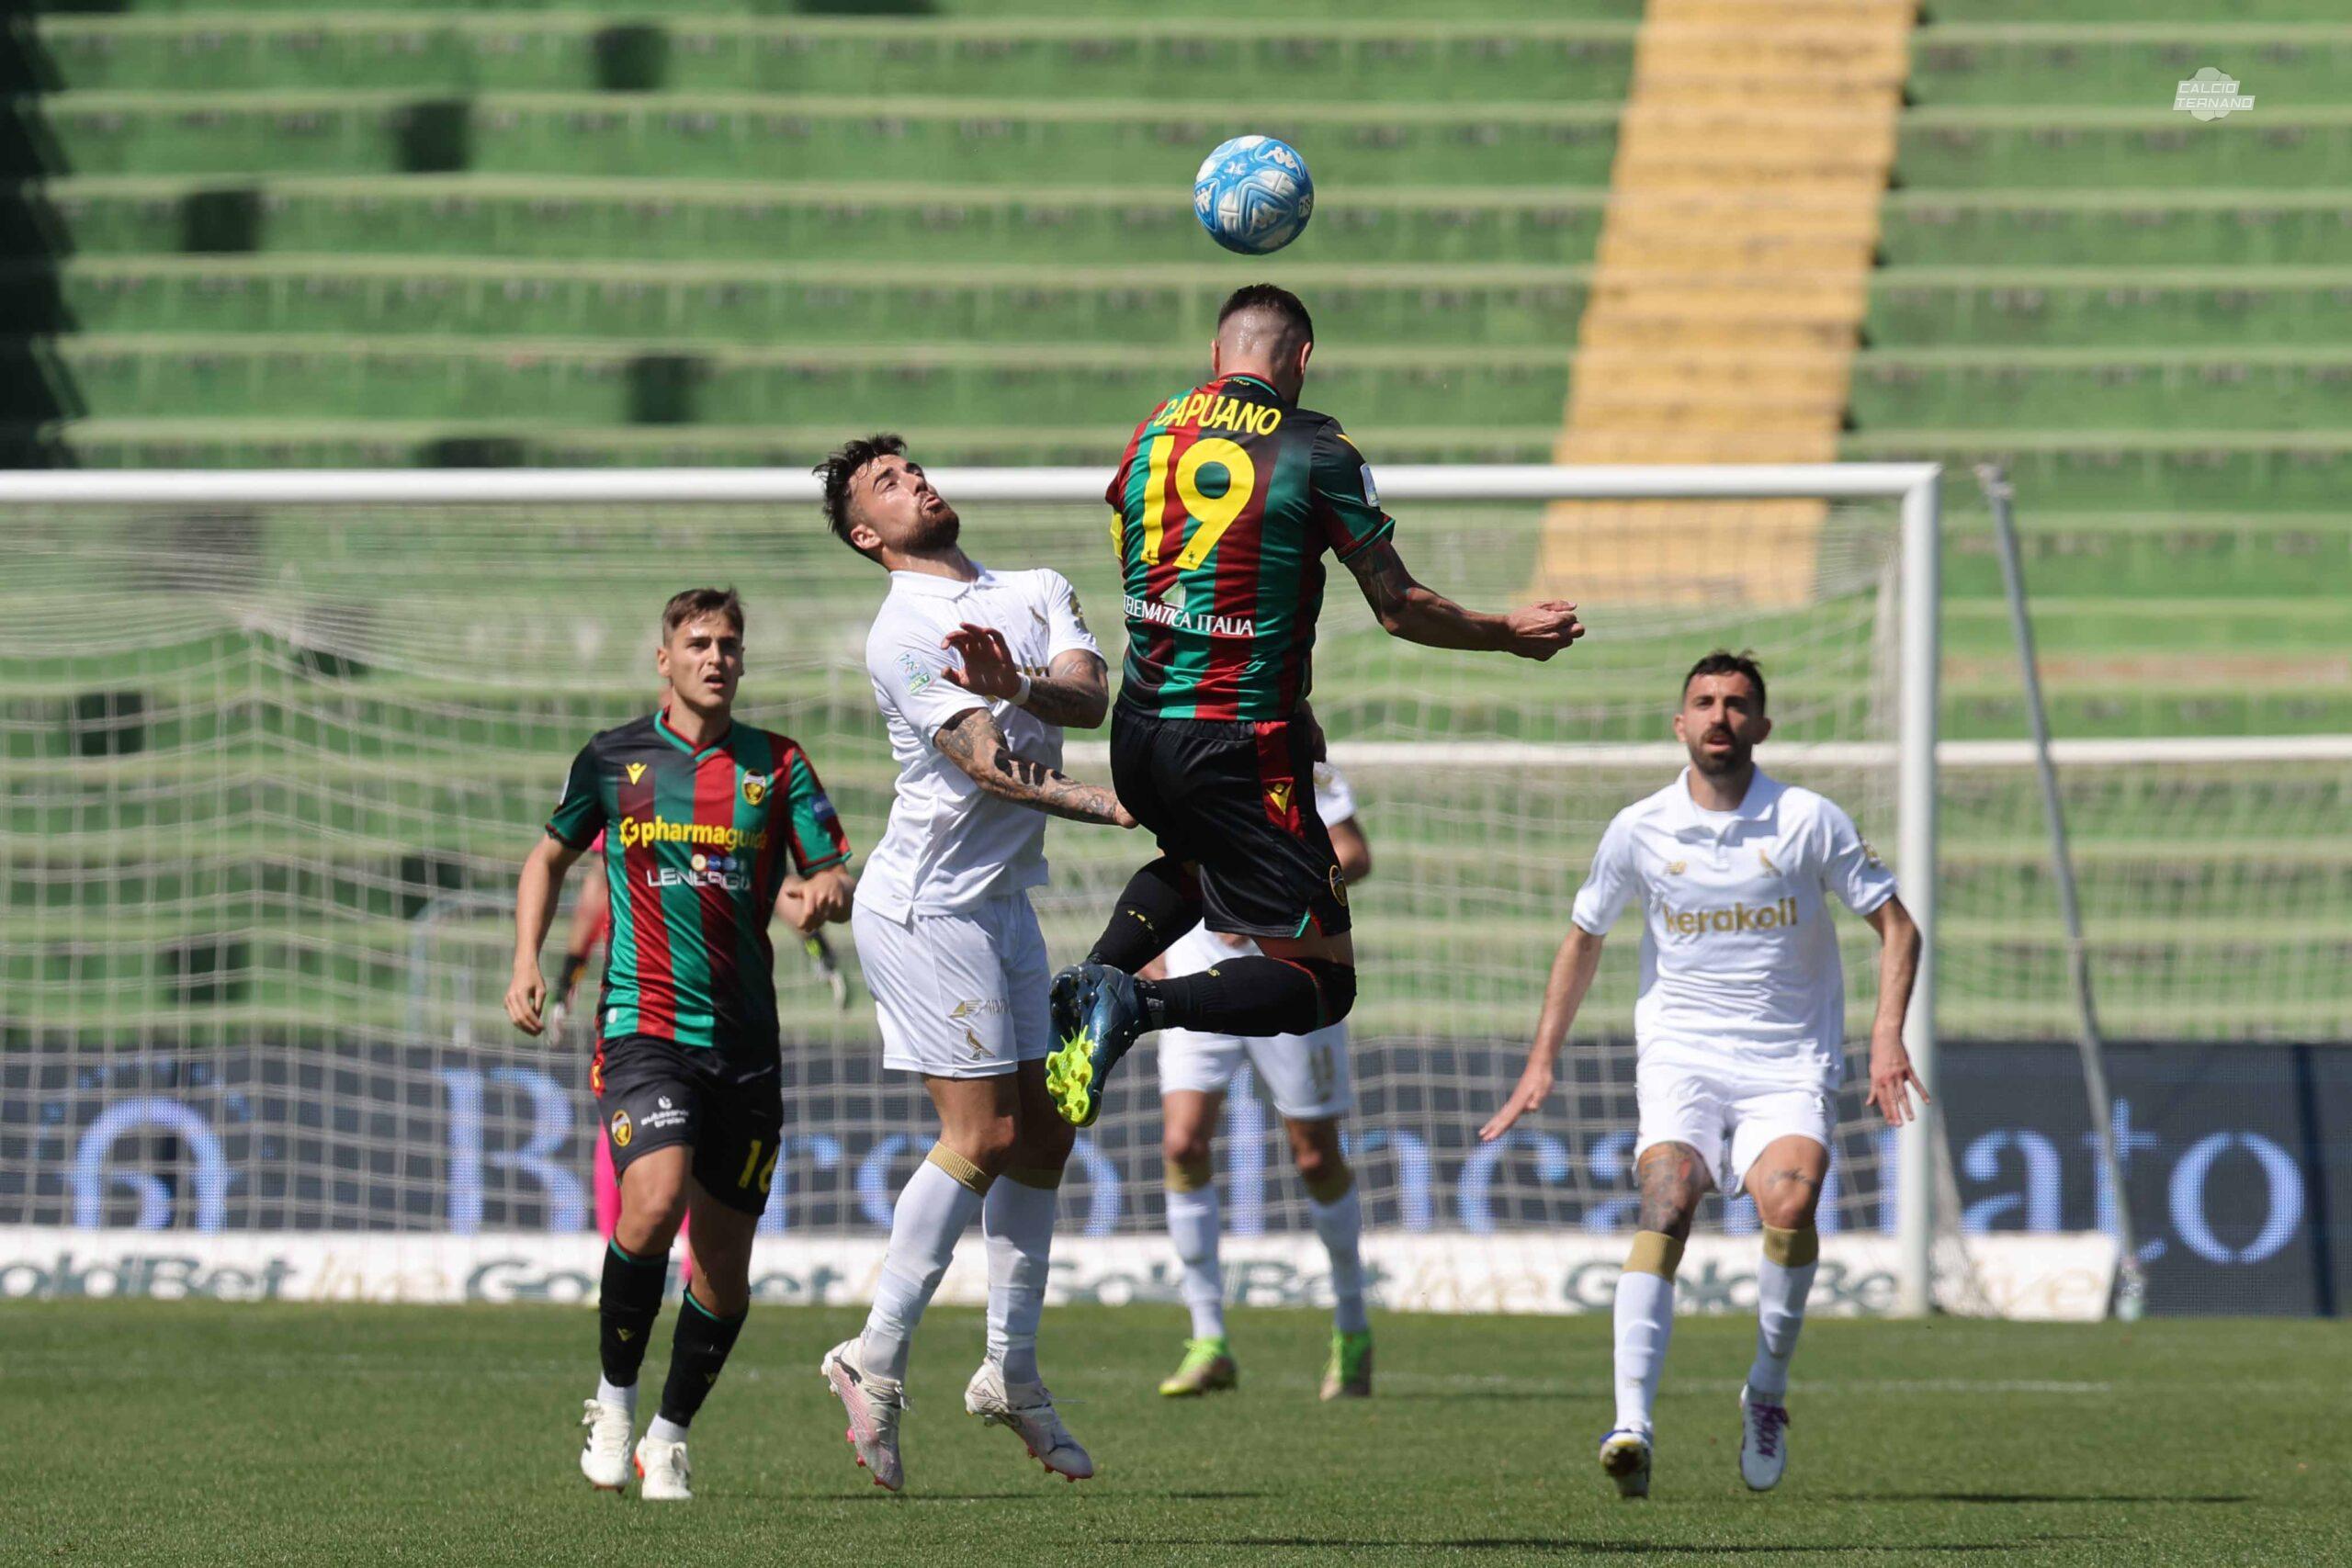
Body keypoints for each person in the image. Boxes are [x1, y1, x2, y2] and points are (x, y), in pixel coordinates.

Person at [1044, 281, 1584, 1129]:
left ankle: (1090, 975)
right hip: (1234, 739)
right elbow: (1398, 606)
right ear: (1301, 359)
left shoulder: (1155, 427)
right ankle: (1135, 1004)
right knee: (1323, 981)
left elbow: (1136, 549)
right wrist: (1507, 632)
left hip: (1141, 728)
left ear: (1217, 356)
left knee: (1199, 858)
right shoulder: (1315, 445)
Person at [1479, 649, 1926, 1498]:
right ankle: (1631, 1426)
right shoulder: (1639, 827)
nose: (1721, 715)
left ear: (1763, 724)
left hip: (1787, 1058)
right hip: (1681, 1054)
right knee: (1668, 1197)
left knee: (1789, 1203)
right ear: (1679, 723)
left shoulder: (1809, 820)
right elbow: (1583, 937)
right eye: (1705, 701)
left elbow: (1898, 927)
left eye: (1737, 703)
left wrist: (1885, 1037)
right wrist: (1541, 1061)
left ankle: (1766, 1391)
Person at [809, 434, 1134, 1494]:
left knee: (1046, 1130)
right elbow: (986, 766)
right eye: (887, 484)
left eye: (912, 468)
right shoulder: (899, 634)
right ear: (868, 535)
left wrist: (1024, 681)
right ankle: (872, 1358)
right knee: (984, 1133)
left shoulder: (1036, 587)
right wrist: (1110, 806)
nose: (915, 482)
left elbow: (1087, 698)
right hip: (923, 908)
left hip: (1001, 905)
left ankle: (1012, 1373)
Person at [505, 587, 855, 1501]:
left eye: (729, 644)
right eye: (698, 643)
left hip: (746, 1044)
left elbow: (830, 874)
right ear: (664, 659)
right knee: (654, 1202)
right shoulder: (612, 758)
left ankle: (667, 1435)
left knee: (724, 1270)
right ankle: (613, 1402)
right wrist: (527, 960)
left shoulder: (778, 764)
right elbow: (548, 856)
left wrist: (826, 894)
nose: (715, 658)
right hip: (644, 1026)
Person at [1149, 739, 1377, 1401]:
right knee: (1182, 1143)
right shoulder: (1182, 751)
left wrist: (1276, 892)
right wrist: (1148, 939)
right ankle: (1208, 1338)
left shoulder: (1300, 760)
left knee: (1314, 1155)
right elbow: (1170, 860)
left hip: (1293, 962)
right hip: (1197, 959)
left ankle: (1352, 1325)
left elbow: (1353, 853)